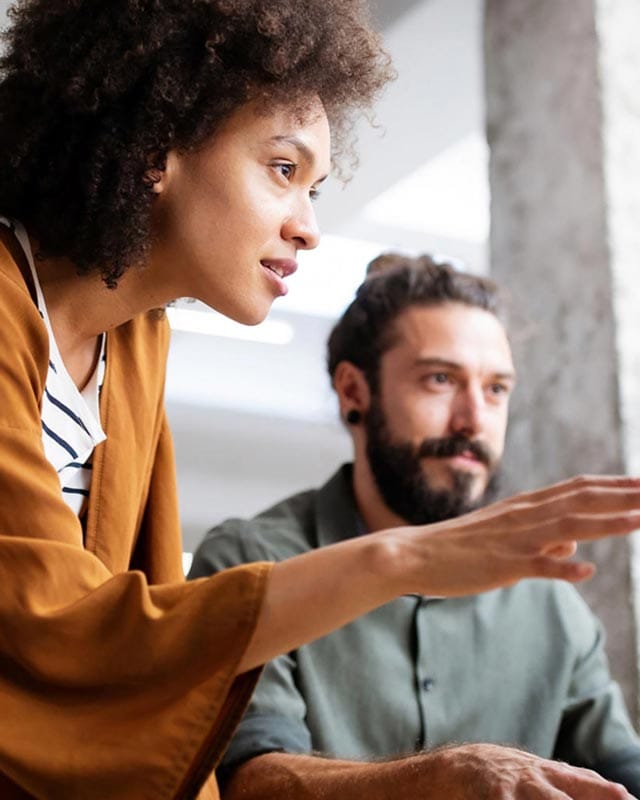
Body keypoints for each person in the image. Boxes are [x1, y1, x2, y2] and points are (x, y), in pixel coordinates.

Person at [0, 2, 639, 798]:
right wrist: (405, 558)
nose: (308, 227)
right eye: (282, 170)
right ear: (156, 144)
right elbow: (63, 635)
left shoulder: (134, 343)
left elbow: (146, 656)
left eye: (315, 188)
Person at [190, 253, 640, 800]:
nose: (473, 420)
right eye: (440, 379)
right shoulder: (252, 561)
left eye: (496, 389)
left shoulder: (550, 598)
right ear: (354, 392)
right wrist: (441, 778)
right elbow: (248, 781)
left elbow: (621, 769)